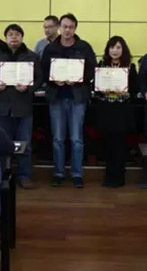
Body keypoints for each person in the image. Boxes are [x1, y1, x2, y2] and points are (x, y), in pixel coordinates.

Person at [41, 13, 96, 188]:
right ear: (59, 27)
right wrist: (52, 80)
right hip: (56, 97)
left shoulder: (84, 47)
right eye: (64, 27)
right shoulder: (50, 48)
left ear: (75, 28)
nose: (67, 30)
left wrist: (79, 79)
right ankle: (58, 173)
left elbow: (91, 70)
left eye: (71, 27)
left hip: (77, 97)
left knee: (76, 138)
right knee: (57, 138)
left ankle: (77, 174)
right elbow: (43, 71)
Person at [0, 24, 42, 188]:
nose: (14, 37)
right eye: (10, 34)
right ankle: (2, 175)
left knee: (25, 144)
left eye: (17, 34)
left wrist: (29, 88)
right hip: (2, 106)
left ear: (22, 37)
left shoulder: (32, 56)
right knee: (1, 143)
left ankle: (24, 175)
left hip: (23, 106)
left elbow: (39, 78)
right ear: (5, 38)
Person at [95, 36, 138, 188]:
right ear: (108, 49)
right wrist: (102, 90)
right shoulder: (102, 66)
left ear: (123, 49)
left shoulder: (130, 67)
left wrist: (125, 93)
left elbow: (135, 90)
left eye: (118, 47)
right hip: (106, 111)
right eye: (112, 47)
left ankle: (119, 176)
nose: (115, 50)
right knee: (107, 144)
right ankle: (109, 176)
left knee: (120, 145)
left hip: (122, 112)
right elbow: (96, 90)